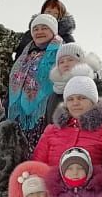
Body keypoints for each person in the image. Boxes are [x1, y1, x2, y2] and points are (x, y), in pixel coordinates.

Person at [32, 75, 102, 171]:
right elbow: (37, 167)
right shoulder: (51, 131)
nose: (75, 103)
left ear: (93, 101)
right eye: (70, 99)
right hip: (53, 185)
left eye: (81, 98)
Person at [7, 14, 62, 148]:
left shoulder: (61, 52)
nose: (39, 32)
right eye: (36, 29)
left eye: (44, 28)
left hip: (47, 114)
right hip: (20, 118)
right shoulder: (25, 55)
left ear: (53, 30)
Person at [44, 43, 102, 123]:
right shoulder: (55, 91)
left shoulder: (95, 85)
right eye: (61, 62)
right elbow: (48, 122)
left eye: (70, 60)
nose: (65, 64)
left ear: (81, 61)